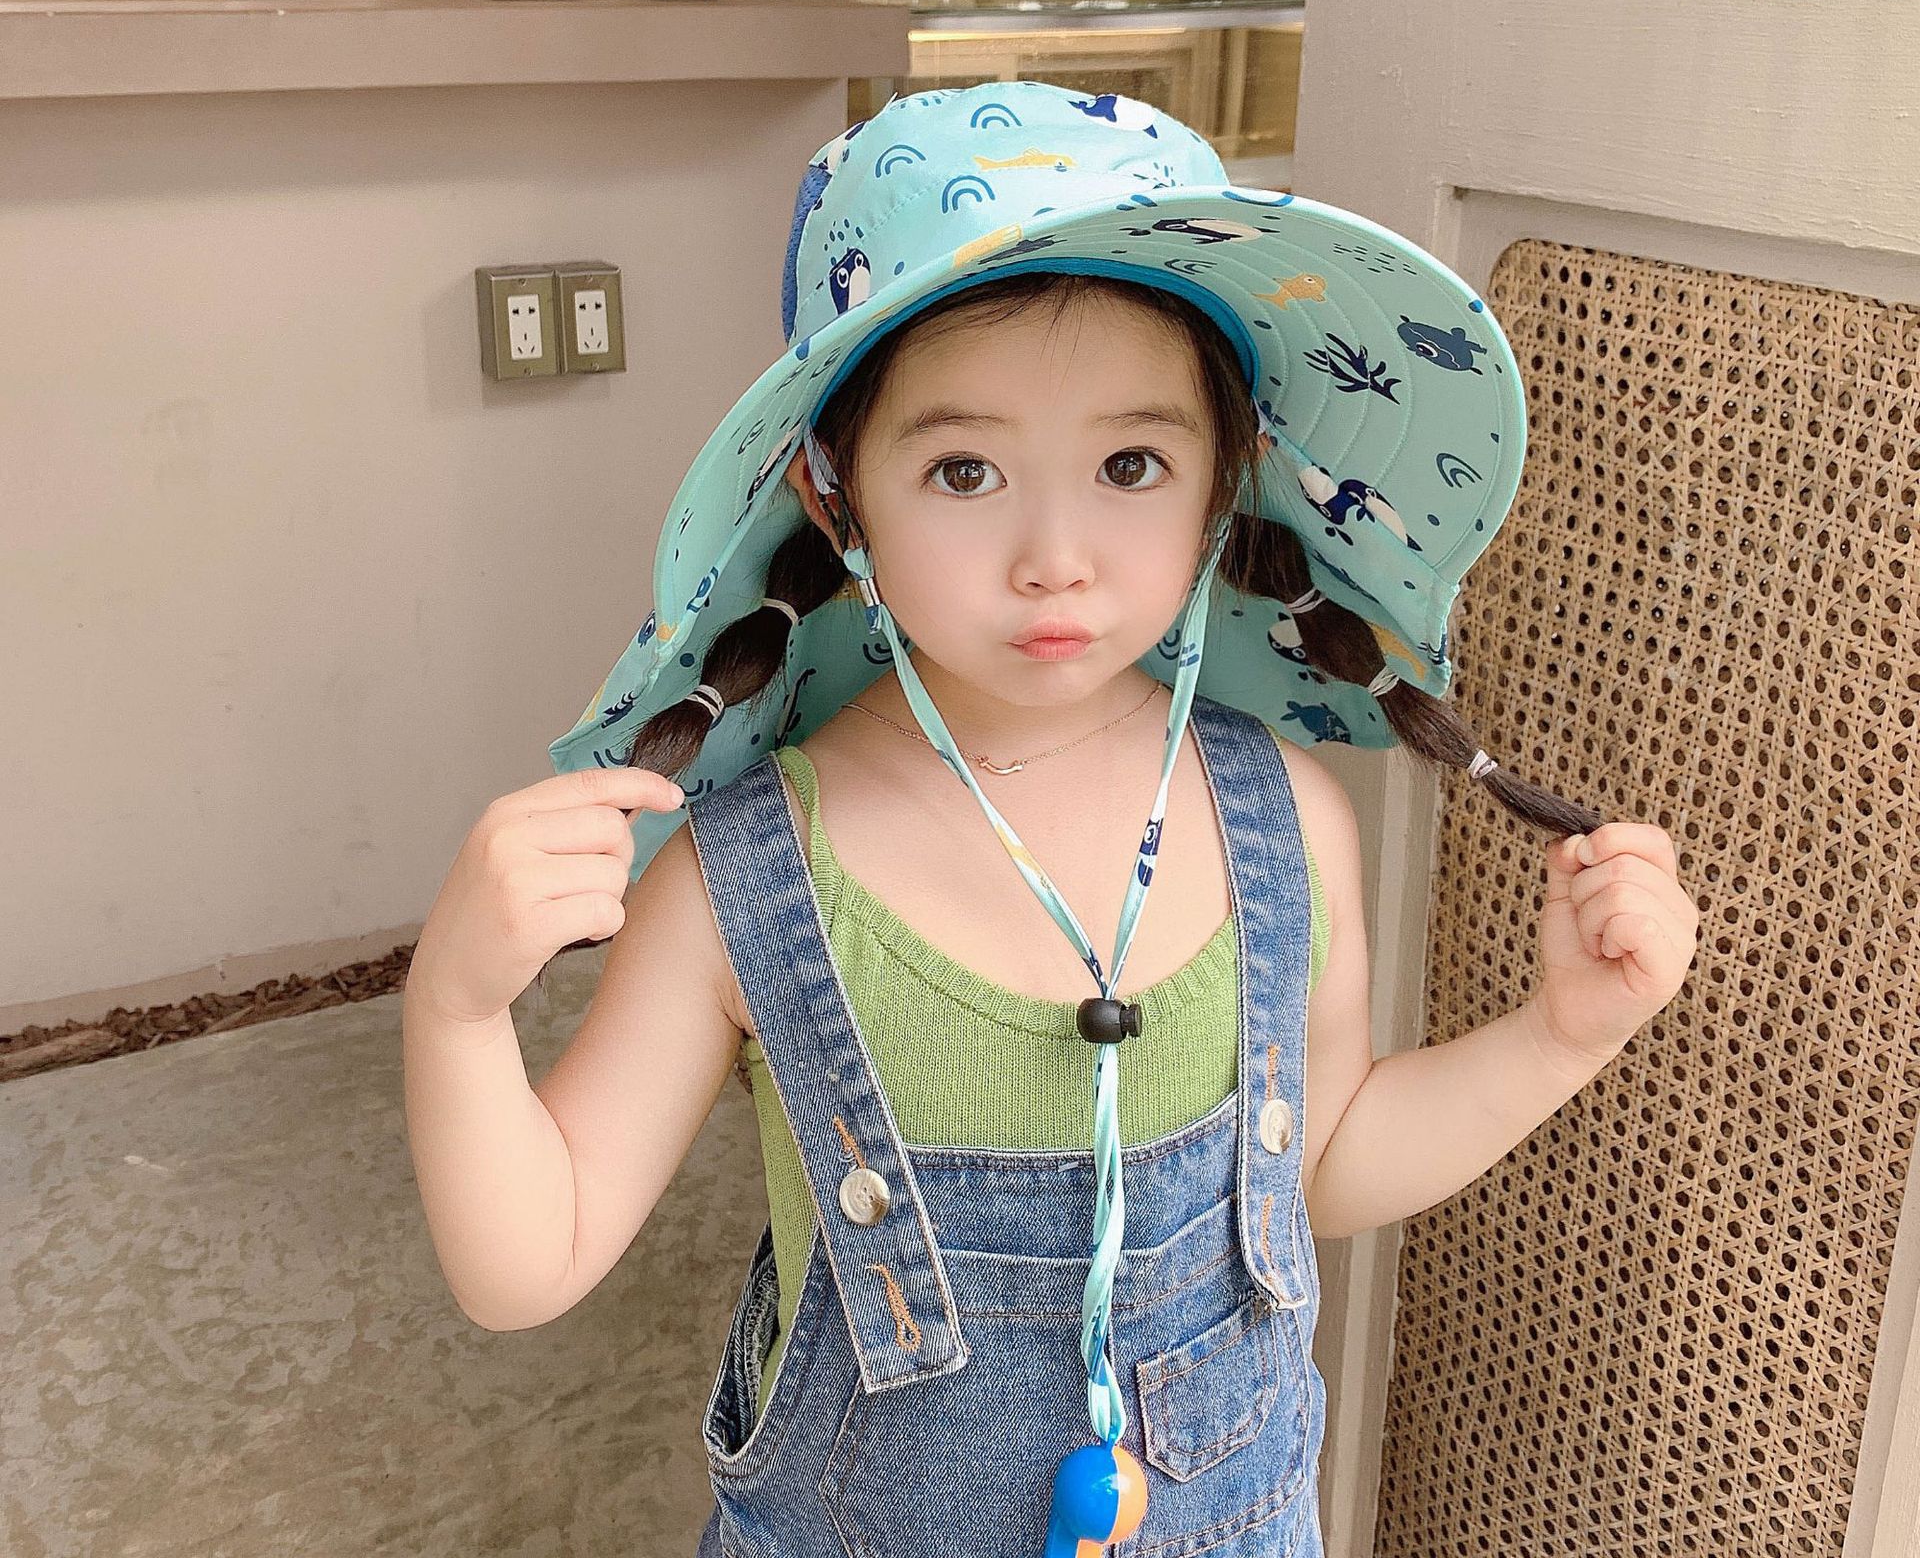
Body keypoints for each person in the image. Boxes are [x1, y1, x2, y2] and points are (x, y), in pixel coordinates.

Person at [404, 81, 1701, 1557]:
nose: (1056, 557)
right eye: (964, 471)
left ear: (1223, 482)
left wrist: (1562, 1035)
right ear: (836, 500)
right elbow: (533, 1257)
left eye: (1131, 465)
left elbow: (1325, 1165)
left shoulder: (1285, 821)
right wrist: (456, 1009)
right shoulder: (747, 874)